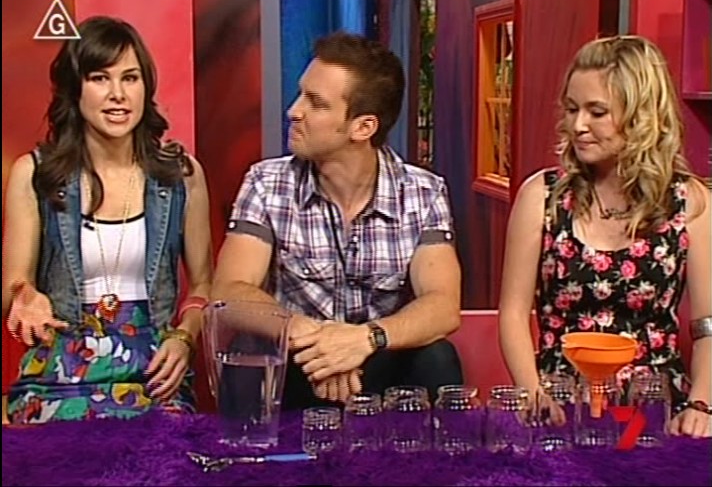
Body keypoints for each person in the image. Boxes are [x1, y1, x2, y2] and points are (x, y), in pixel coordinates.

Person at [211, 31, 463, 409]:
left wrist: (363, 340)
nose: (294, 111)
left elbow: (443, 305)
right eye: (301, 95)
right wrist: (313, 336)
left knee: (437, 356)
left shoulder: (422, 193)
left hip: (379, 363)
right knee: (248, 348)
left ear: (363, 127)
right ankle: (249, 446)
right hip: (298, 361)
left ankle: (431, 449)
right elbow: (230, 289)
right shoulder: (266, 183)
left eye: (315, 103)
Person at [2, 16, 213, 423]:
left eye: (130, 78)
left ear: (145, 87)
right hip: (61, 367)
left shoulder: (180, 175)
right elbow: (14, 287)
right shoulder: (36, 174)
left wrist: (184, 338)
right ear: (75, 88)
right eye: (100, 78)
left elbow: (205, 284)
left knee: (162, 451)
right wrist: (26, 298)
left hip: (153, 369)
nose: (118, 94)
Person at [498, 34, 711, 437]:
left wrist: (702, 405)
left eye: (597, 112)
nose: (578, 126)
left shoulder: (691, 202)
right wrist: (533, 393)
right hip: (561, 405)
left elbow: (708, 324)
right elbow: (512, 314)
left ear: (642, 116)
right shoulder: (541, 196)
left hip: (655, 410)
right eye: (572, 109)